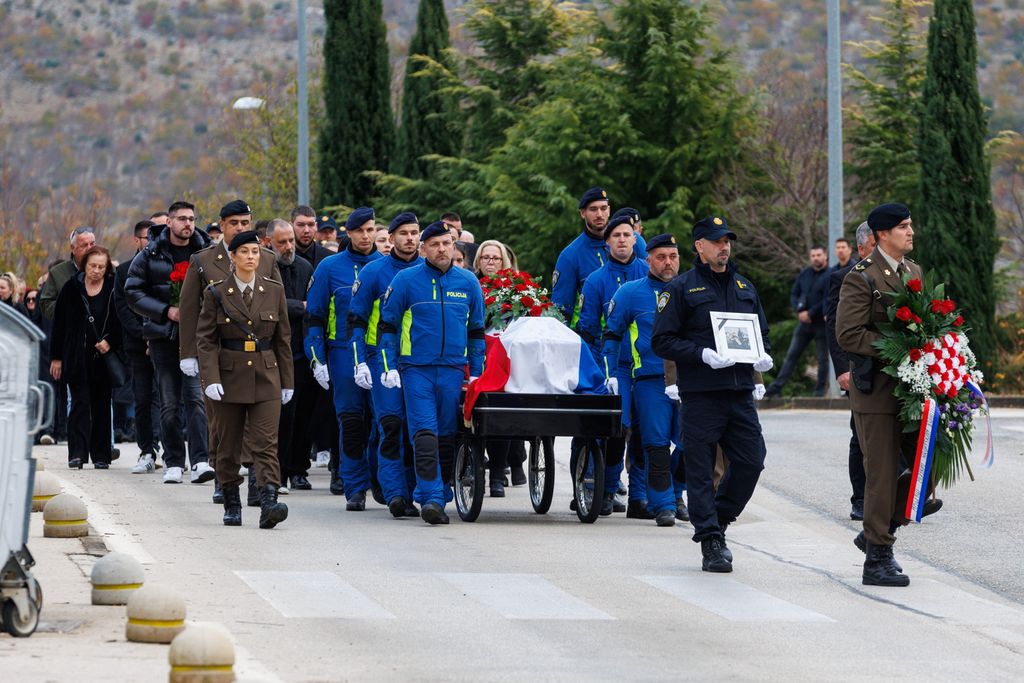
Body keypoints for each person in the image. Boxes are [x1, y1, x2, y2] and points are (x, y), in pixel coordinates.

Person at [651, 216, 773, 573]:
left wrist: (762, 357)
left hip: (739, 393)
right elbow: (662, 340)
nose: (724, 247)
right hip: (702, 393)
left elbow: (761, 333)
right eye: (717, 241)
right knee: (702, 469)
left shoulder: (743, 286)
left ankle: (719, 517)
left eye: (728, 241)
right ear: (699, 247)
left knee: (752, 460)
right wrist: (702, 354)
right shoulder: (682, 289)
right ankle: (710, 541)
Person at [836, 202, 925, 587]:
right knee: (883, 476)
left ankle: (877, 530)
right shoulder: (862, 276)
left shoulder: (913, 271)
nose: (910, 232)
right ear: (882, 234)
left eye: (910, 225)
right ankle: (877, 558)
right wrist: (898, 344)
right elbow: (849, 334)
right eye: (903, 227)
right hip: (876, 393)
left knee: (922, 470)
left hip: (912, 391)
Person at [378, 221, 486, 525]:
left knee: (447, 435)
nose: (442, 249)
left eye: (447, 243)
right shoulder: (406, 280)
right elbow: (388, 325)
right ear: (424, 248)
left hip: (453, 371)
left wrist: (477, 374)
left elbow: (476, 332)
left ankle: (439, 490)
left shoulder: (468, 283)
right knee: (424, 433)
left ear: (454, 246)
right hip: (416, 371)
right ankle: (432, 499)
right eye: (435, 244)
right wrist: (388, 366)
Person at [178, 200, 279, 500]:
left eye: (245, 223)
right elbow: (189, 309)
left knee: (257, 426)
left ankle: (255, 483)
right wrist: (188, 353)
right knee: (222, 423)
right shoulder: (203, 260)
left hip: (258, 356)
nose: (240, 228)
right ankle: (223, 479)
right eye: (234, 223)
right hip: (220, 355)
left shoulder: (267, 258)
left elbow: (274, 307)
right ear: (221, 225)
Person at [195, 230, 293, 528]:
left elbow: (283, 340)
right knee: (228, 445)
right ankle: (231, 501)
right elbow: (206, 340)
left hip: (266, 375)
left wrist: (287, 381)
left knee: (266, 443)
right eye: (245, 252)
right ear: (233, 257)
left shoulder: (273, 290)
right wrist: (209, 377)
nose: (252, 257)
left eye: (255, 251)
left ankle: (269, 501)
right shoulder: (216, 292)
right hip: (228, 377)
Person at [125, 200, 212, 485]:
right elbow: (133, 291)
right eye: (182, 219)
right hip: (163, 335)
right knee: (169, 401)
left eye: (192, 218)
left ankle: (201, 460)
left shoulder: (206, 250)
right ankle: (174, 461)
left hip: (198, 336)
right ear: (170, 222)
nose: (188, 224)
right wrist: (165, 310)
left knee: (197, 400)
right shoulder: (151, 252)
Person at [602, 234, 684, 526]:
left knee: (692, 441)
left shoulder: (690, 289)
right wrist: (611, 374)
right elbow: (611, 336)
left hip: (689, 378)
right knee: (656, 442)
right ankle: (662, 504)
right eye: (661, 257)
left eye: (673, 256)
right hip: (650, 379)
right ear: (647, 259)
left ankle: (678, 493)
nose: (667, 262)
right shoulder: (630, 293)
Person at [305, 207, 383, 511]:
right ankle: (354, 486)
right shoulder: (329, 267)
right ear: (347, 233)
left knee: (382, 421)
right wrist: (317, 358)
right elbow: (314, 317)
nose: (366, 236)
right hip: (341, 353)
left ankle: (381, 480)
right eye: (359, 231)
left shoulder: (387, 266)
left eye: (370, 230)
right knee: (350, 421)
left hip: (378, 353)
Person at [348, 212, 423, 518]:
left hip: (420, 362)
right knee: (390, 425)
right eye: (403, 233)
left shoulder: (428, 270)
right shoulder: (373, 272)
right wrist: (358, 363)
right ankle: (394, 493)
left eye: (414, 232)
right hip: (380, 359)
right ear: (390, 238)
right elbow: (355, 321)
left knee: (414, 428)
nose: (409, 238)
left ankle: (411, 487)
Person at [577, 213, 649, 516]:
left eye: (627, 235)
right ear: (606, 243)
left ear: (636, 239)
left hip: (646, 368)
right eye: (616, 236)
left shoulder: (648, 272)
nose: (622, 240)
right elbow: (589, 329)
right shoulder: (595, 281)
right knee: (616, 431)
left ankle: (640, 497)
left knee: (646, 433)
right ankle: (605, 490)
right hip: (613, 369)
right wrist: (599, 371)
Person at [50, 246, 124, 469]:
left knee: (102, 406)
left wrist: (110, 340)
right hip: (76, 356)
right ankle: (77, 454)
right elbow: (59, 325)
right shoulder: (72, 288)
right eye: (93, 266)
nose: (97, 271)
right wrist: (56, 358)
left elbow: (122, 319)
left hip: (103, 357)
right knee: (80, 405)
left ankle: (101, 455)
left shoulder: (113, 287)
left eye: (101, 266)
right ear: (84, 265)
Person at [826, 223, 875, 521]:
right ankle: (860, 499)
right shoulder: (843, 278)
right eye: (874, 244)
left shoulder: (900, 273)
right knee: (860, 434)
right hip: (858, 367)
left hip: (891, 368)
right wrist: (842, 368)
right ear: (861, 248)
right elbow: (834, 326)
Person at [268, 219, 315, 491]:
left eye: (291, 241)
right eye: (282, 242)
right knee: (281, 417)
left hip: (301, 350)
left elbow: (314, 305)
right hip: (274, 352)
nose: (288, 247)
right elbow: (270, 305)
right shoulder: (265, 267)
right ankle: (279, 470)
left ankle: (298, 468)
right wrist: (299, 306)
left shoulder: (305, 267)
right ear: (269, 243)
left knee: (304, 415)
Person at [290, 205, 337, 474]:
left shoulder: (328, 259)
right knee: (297, 407)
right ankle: (296, 467)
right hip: (294, 341)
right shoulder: (283, 257)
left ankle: (323, 454)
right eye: (301, 225)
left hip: (323, 341)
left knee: (321, 407)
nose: (307, 230)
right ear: (292, 225)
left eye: (311, 224)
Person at [115, 220, 164, 474]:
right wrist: (146, 336)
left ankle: (171, 451)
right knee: (144, 398)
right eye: (148, 237)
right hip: (138, 345)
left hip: (166, 341)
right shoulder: (123, 271)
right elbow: (123, 308)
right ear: (137, 241)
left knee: (169, 399)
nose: (153, 242)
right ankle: (147, 449)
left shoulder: (167, 266)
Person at [764, 246, 831, 397]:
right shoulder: (805, 273)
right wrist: (799, 311)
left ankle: (819, 392)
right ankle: (776, 388)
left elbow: (828, 299)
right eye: (813, 255)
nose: (816, 258)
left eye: (819, 255)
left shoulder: (831, 274)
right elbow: (794, 293)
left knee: (823, 358)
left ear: (825, 256)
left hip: (821, 322)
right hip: (804, 322)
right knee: (791, 355)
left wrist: (811, 313)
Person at [551, 187, 612, 325]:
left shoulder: (630, 243)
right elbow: (561, 311)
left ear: (609, 210)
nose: (599, 214)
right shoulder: (570, 255)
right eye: (593, 209)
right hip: (592, 341)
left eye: (603, 208)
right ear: (583, 213)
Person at [40, 226, 96, 320]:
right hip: (70, 331)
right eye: (84, 245)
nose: (89, 248)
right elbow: (46, 304)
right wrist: (69, 307)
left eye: (92, 244)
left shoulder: (109, 269)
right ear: (73, 248)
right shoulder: (57, 273)